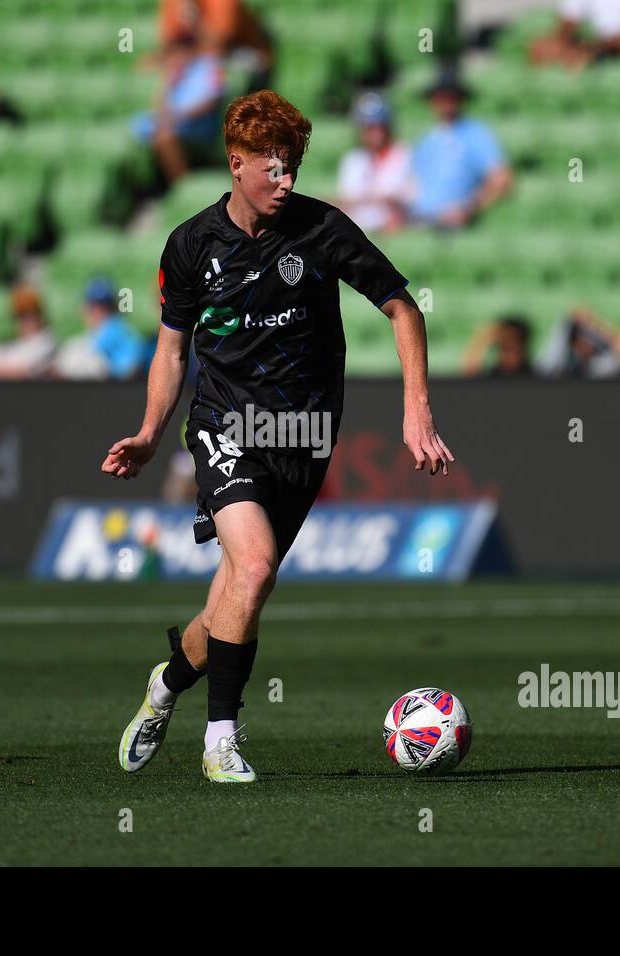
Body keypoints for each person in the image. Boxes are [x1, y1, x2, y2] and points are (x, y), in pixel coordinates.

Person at [101, 89, 454, 784]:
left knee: (235, 595)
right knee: (256, 567)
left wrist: (417, 411)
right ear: (236, 164)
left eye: (293, 166)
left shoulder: (323, 230)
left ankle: (165, 686)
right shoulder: (191, 244)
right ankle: (221, 742)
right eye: (274, 168)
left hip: (304, 435)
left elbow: (402, 309)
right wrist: (149, 432)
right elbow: (172, 350)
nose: (286, 181)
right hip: (224, 427)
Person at [409, 69, 512, 229]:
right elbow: (413, 182)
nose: (445, 102)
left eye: (451, 97)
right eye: (441, 97)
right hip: (419, 219)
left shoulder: (476, 134)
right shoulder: (426, 139)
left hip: (451, 223)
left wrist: (469, 208)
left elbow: (501, 179)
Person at [132, 34, 227, 186]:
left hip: (198, 127)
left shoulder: (208, 67)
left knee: (164, 137)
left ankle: (183, 186)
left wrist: (181, 117)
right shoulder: (176, 75)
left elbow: (212, 101)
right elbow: (161, 109)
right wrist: (168, 81)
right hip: (176, 125)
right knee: (146, 133)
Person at [333, 92, 412, 234]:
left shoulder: (404, 155)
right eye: (369, 128)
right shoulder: (353, 160)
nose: (375, 133)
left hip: (392, 230)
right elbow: (346, 202)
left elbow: (405, 202)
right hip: (357, 230)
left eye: (379, 127)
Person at [54, 277, 149, 380]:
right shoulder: (78, 344)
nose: (99, 311)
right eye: (94, 306)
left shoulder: (126, 336)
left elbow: (130, 368)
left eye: (106, 306)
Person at [530, 0, 620, 69]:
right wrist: (567, 44)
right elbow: (567, 25)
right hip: (597, 44)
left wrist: (599, 45)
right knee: (542, 47)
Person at [0, 285, 58, 380]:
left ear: (40, 314)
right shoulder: (13, 342)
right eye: (19, 316)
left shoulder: (46, 341)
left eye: (30, 314)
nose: (25, 321)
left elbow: (21, 372)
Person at [461, 315, 534, 376]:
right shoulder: (494, 374)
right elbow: (469, 374)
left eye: (510, 339)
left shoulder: (533, 377)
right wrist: (482, 339)